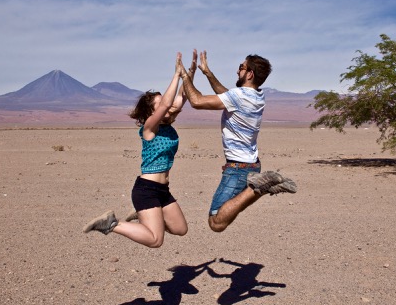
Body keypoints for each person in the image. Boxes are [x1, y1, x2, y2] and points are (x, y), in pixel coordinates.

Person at [178, 49, 297, 232]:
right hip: (252, 165)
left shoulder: (239, 97)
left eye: (241, 67)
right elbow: (226, 95)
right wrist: (208, 73)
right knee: (231, 208)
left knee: (216, 222)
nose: (237, 70)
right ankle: (263, 185)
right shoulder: (256, 96)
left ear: (249, 74)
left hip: (238, 169)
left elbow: (196, 101)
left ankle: (258, 187)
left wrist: (185, 75)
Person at [83, 52, 194, 248]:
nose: (165, 106)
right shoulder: (150, 128)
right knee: (155, 240)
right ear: (151, 112)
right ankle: (110, 223)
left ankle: (148, 217)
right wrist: (176, 75)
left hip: (163, 189)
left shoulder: (168, 125)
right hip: (146, 190)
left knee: (180, 229)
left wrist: (189, 73)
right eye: (159, 105)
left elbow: (181, 97)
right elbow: (168, 102)